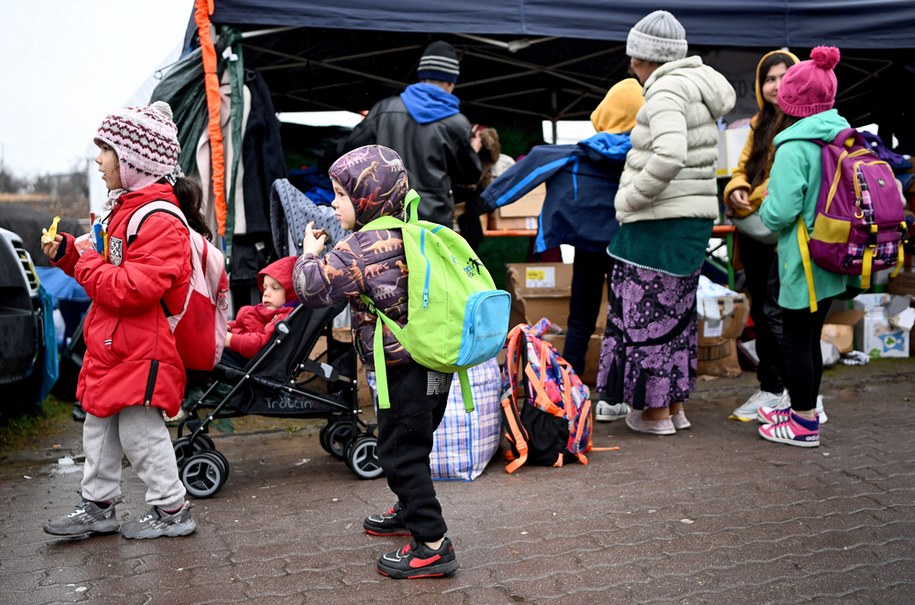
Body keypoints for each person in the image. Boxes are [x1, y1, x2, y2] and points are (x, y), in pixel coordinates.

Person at [293, 145, 458, 579]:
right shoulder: (414, 230)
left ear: (367, 198)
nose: (333, 203)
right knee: (409, 443)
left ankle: (432, 544)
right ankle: (408, 510)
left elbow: (311, 288)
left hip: (403, 370)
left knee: (400, 453)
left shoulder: (362, 247)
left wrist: (309, 252)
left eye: (340, 195)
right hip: (434, 366)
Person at [41, 101, 202, 539]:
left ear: (133, 161)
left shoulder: (160, 219)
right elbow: (108, 269)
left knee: (140, 433)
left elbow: (132, 288)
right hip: (113, 344)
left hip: (141, 346)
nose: (98, 158)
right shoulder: (125, 211)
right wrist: (72, 255)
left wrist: (86, 263)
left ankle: (173, 510)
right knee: (99, 427)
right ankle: (98, 505)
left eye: (106, 149)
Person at [595, 10, 736, 436]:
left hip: (655, 224)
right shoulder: (695, 86)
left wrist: (630, 197)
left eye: (633, 59)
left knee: (644, 319)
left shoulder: (664, 91)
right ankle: (673, 407)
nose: (631, 68)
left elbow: (669, 153)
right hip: (690, 221)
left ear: (643, 57)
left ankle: (654, 415)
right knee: (673, 318)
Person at [481, 78, 645, 422]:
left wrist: (487, 201)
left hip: (586, 244)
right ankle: (615, 396)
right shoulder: (645, 157)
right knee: (625, 318)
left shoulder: (578, 152)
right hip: (628, 245)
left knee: (580, 318)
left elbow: (532, 167)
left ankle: (568, 390)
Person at [756, 46, 854, 448]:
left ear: (792, 101)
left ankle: (803, 421)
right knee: (809, 337)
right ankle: (803, 405)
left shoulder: (794, 146)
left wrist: (763, 206)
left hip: (803, 255)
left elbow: (778, 214)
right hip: (834, 252)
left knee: (797, 340)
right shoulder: (840, 135)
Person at [724, 50, 800, 421]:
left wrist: (745, 202)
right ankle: (769, 388)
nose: (775, 85)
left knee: (777, 311)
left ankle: (796, 394)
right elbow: (742, 168)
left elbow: (784, 183)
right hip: (753, 232)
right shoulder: (759, 122)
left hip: (783, 231)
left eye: (784, 76)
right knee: (762, 308)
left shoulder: (801, 123)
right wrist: (735, 189)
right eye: (769, 78)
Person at [336, 41, 483, 228]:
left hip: (385, 213)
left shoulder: (384, 109)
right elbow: (469, 176)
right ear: (450, 82)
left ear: (421, 76)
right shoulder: (456, 123)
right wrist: (473, 150)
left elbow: (348, 151)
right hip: (433, 220)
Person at [223, 255, 298, 362]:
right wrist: (229, 326)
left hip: (246, 355)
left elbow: (261, 343)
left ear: (291, 291)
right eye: (265, 288)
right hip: (236, 343)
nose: (266, 293)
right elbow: (241, 322)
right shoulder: (266, 311)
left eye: (275, 288)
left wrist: (230, 339)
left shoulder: (283, 317)